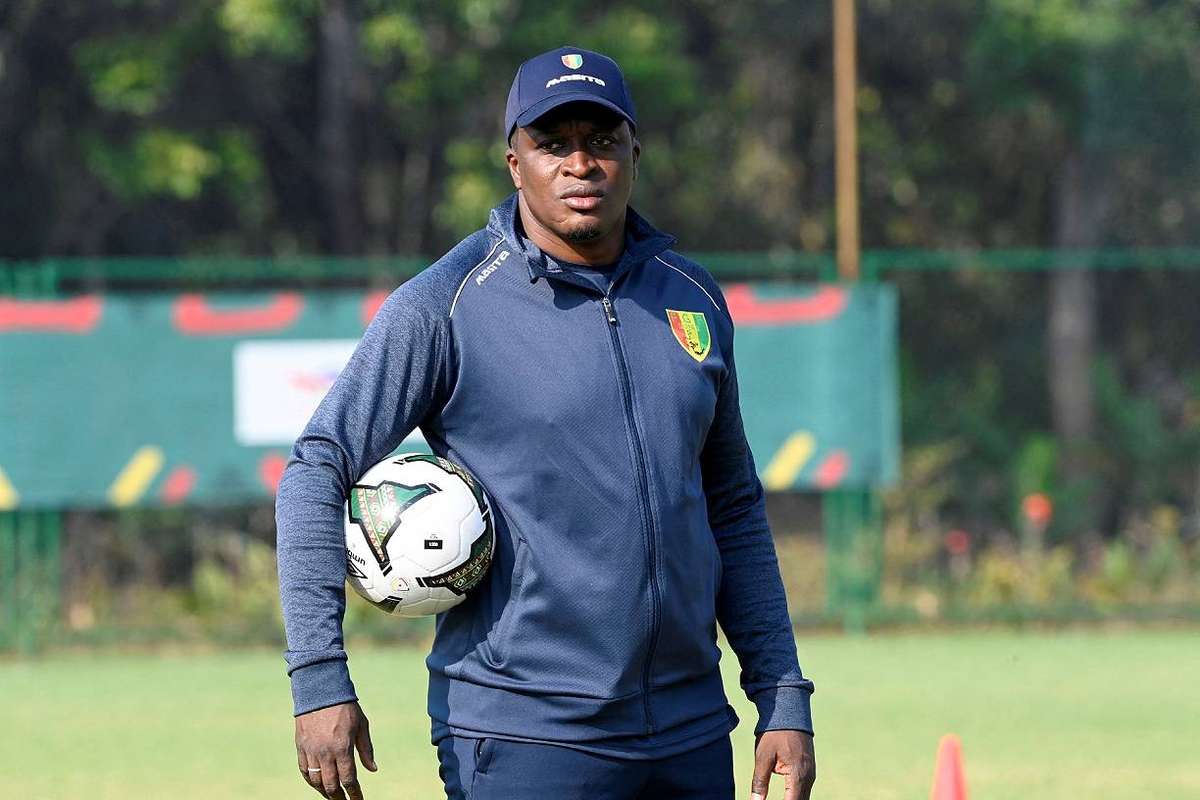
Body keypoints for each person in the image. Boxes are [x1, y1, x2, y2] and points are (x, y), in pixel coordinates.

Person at [276, 45, 816, 800]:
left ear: (634, 154)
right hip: (524, 733)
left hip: (690, 728)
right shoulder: (446, 304)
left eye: (601, 141)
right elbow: (315, 468)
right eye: (553, 144)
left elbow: (732, 506)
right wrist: (319, 678)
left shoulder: (691, 298)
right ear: (515, 164)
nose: (580, 164)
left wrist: (780, 689)